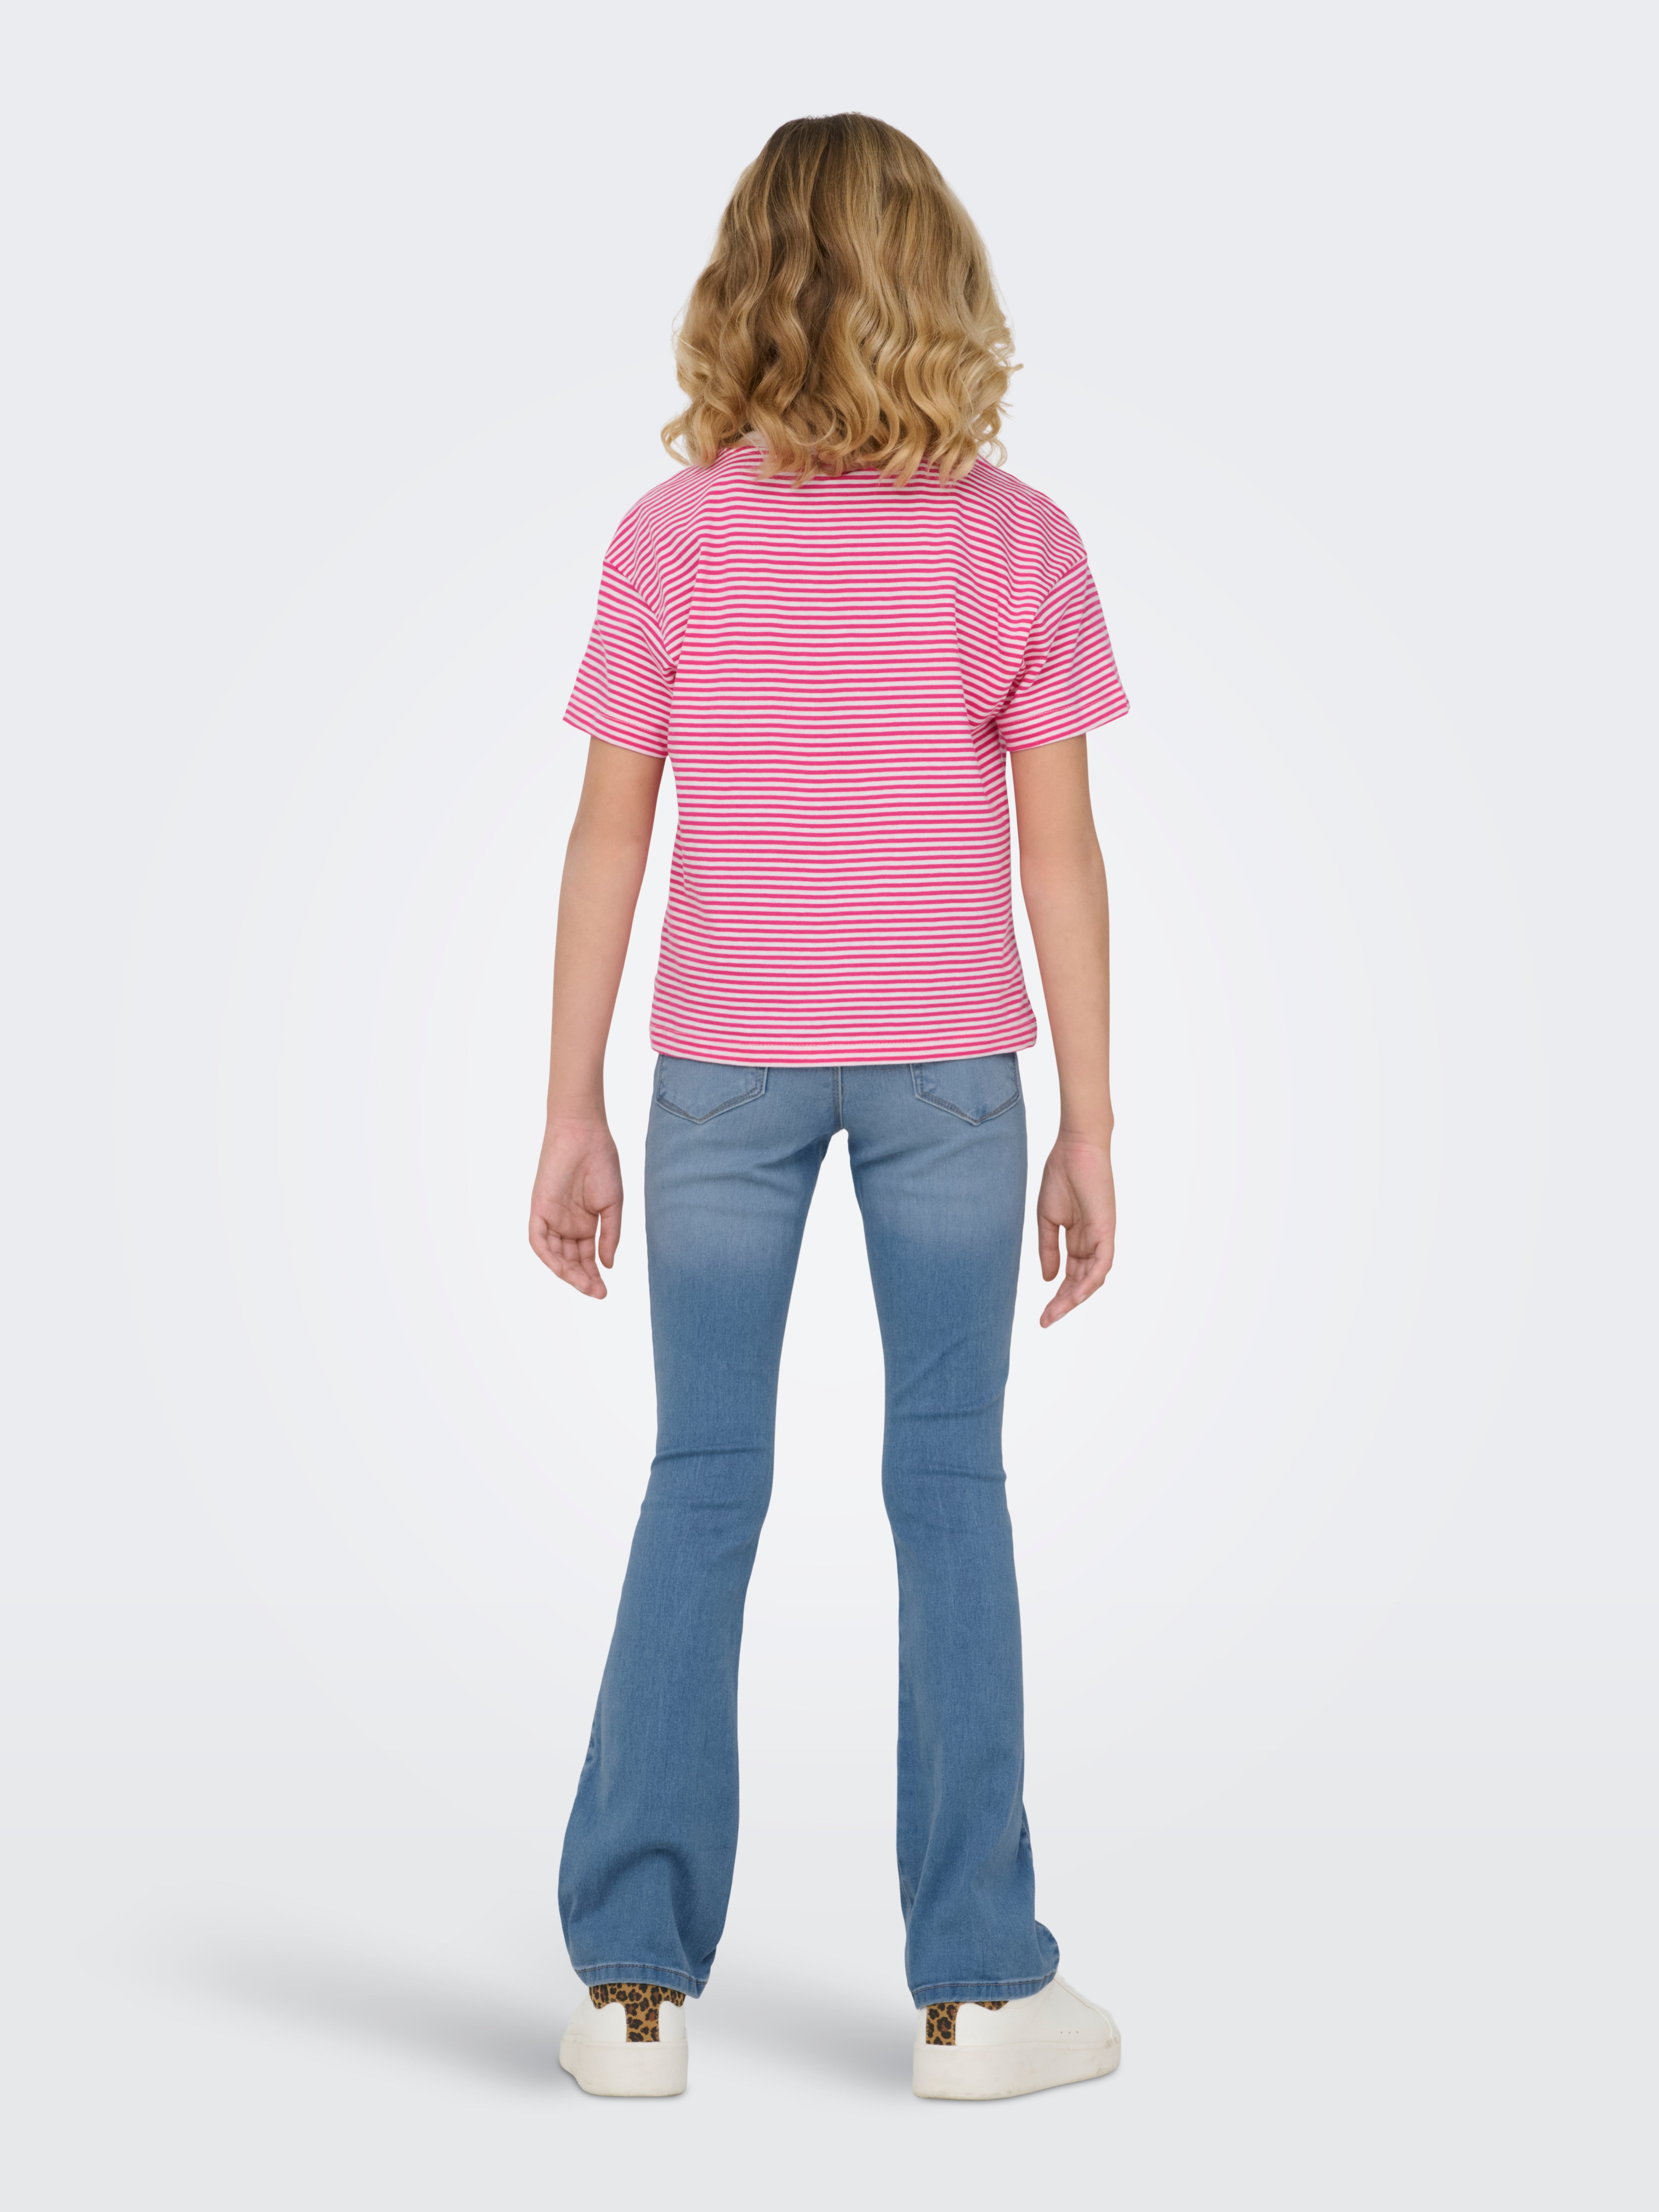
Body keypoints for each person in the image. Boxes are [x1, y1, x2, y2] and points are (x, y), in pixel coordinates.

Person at [531, 112, 1127, 2102]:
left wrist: (571, 1104)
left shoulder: (675, 537)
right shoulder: (1013, 538)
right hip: (950, 1068)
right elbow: (1059, 855)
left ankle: (632, 1993)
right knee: (948, 1488)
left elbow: (608, 832)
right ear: (936, 285)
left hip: (723, 1063)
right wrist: (1090, 1120)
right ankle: (978, 1995)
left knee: (702, 1480)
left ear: (745, 291)